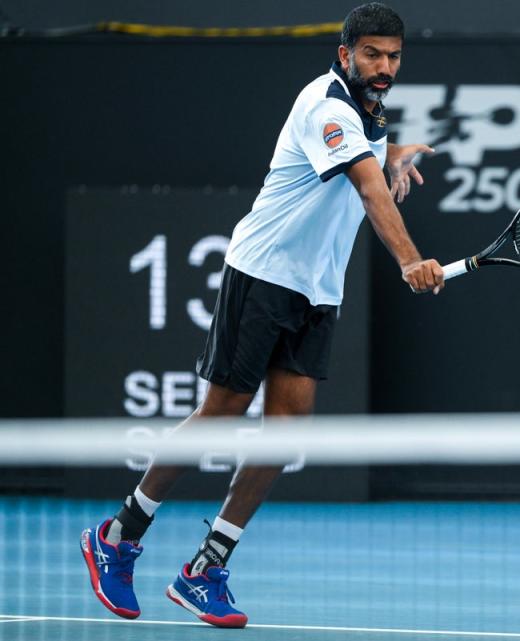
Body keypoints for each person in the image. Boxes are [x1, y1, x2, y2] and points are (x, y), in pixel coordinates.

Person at [79, 3, 443, 628]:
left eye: (393, 57)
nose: (384, 68)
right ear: (344, 54)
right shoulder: (327, 106)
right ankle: (118, 533)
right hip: (265, 274)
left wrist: (390, 151)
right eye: (373, 56)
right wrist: (410, 259)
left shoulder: (369, 110)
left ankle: (207, 567)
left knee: (285, 431)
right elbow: (366, 189)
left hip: (317, 290)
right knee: (222, 411)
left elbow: (367, 162)